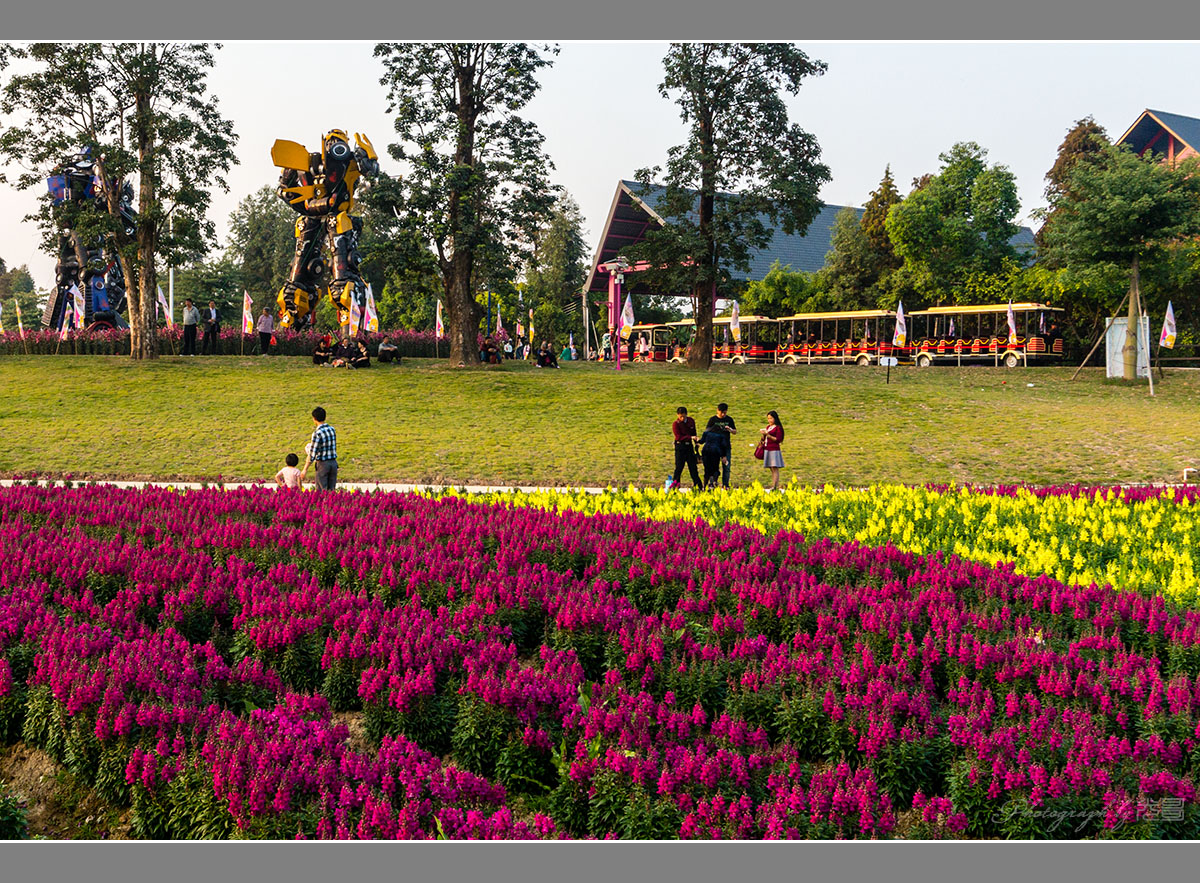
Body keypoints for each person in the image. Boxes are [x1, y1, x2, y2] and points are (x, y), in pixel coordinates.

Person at [301, 406, 338, 490]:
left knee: (322, 491)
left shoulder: (317, 433)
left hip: (323, 464)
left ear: (314, 419)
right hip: (333, 463)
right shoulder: (332, 429)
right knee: (331, 491)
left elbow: (312, 454)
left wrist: (305, 469)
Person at [670, 406, 702, 491]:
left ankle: (698, 486)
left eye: (684, 416)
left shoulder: (691, 421)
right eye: (680, 416)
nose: (682, 418)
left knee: (693, 467)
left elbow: (694, 432)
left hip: (689, 447)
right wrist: (690, 437)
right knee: (679, 467)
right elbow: (678, 437)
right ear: (677, 415)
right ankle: (675, 486)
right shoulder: (676, 424)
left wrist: (696, 443)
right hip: (680, 447)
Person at [699, 417, 730, 490]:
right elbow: (723, 446)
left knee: (707, 469)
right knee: (715, 468)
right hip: (715, 452)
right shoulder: (721, 436)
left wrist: (696, 440)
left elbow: (701, 441)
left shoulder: (706, 433)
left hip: (706, 452)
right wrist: (724, 456)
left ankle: (704, 486)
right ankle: (714, 482)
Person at [759, 410, 785, 492]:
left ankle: (775, 486)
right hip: (767, 448)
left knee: (775, 468)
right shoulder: (768, 427)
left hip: (774, 449)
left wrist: (768, 435)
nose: (769, 420)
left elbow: (778, 439)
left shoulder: (778, 428)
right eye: (768, 418)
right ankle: (774, 485)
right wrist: (763, 435)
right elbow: (765, 438)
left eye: (771, 418)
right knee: (771, 468)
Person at [713, 402, 737, 489]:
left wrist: (730, 429)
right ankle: (713, 483)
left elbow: (735, 431)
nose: (723, 415)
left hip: (726, 446)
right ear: (717, 411)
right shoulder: (713, 420)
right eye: (721, 412)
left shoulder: (729, 420)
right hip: (715, 447)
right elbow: (707, 431)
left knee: (726, 466)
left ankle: (725, 484)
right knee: (714, 466)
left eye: (725, 413)